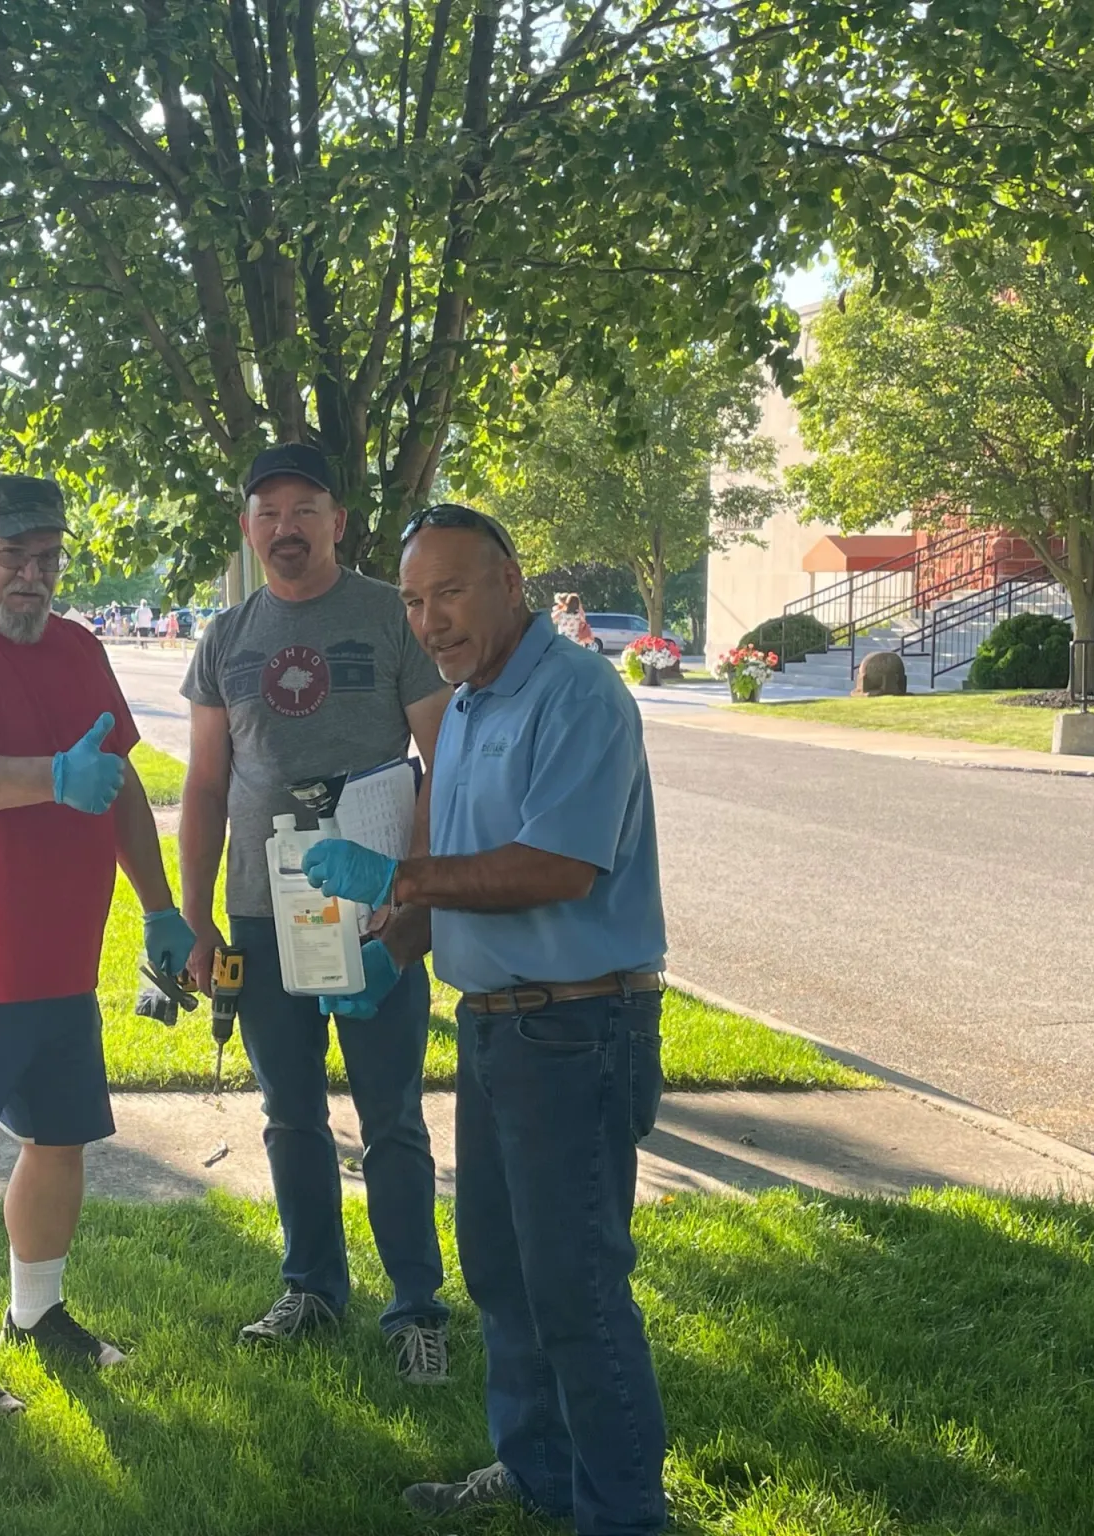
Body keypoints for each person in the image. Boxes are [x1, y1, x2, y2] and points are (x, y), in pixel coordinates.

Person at [302, 502, 670, 1536]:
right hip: (495, 1028)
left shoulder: (578, 696)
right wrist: (390, 951)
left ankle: (621, 1513)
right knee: (501, 1275)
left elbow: (553, 867)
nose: (430, 620)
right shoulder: (463, 707)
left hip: (578, 1028)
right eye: (414, 602)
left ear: (509, 581)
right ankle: (537, 1472)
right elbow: (463, 879)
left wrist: (398, 875)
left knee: (576, 1290)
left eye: (449, 591)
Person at [0, 474, 193, 1415]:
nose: (33, 573)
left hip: (61, 961)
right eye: (13, 553)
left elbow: (127, 788)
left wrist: (160, 907)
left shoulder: (77, 647)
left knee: (60, 1142)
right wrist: (54, 779)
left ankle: (36, 1312)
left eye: (48, 556)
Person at [178, 442, 453, 1382]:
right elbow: (206, 785)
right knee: (289, 1114)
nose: (285, 529)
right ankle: (312, 1288)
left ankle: (416, 1307)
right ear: (247, 529)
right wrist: (196, 917)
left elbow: (440, 761)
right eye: (267, 513)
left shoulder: (389, 615)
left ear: (338, 521)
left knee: (393, 1119)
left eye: (305, 510)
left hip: (375, 913)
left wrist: (411, 897)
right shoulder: (225, 639)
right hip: (264, 915)